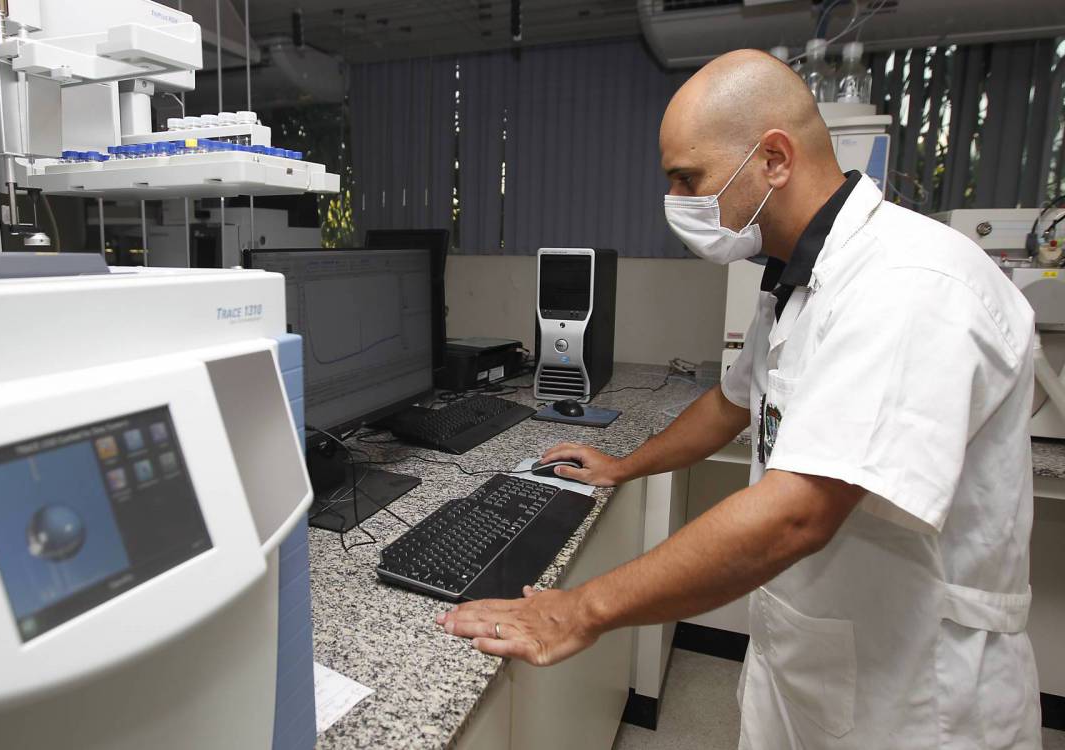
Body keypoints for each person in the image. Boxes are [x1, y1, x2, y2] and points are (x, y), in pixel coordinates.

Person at [437, 49, 1042, 748]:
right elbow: (733, 401)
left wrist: (582, 610)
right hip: (814, 656)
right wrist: (625, 464)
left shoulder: (909, 284)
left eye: (688, 179)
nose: (677, 203)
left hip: (918, 697)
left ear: (774, 159)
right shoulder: (794, 279)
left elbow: (797, 515)